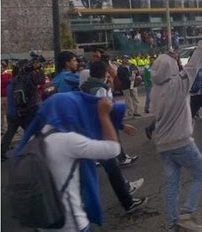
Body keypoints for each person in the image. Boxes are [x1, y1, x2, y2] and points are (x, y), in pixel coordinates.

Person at [16, 92, 126, 231]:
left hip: (44, 222)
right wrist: (103, 115)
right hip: (71, 223)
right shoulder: (67, 140)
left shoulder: (34, 140)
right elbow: (113, 149)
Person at [150, 22, 202, 232]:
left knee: (172, 185)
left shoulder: (154, 91)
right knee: (201, 176)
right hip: (181, 142)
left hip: (162, 144)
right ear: (171, 68)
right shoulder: (179, 84)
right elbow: (196, 62)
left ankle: (172, 225)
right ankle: (187, 213)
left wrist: (171, 57)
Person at [81, 61, 148, 214]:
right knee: (112, 168)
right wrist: (121, 126)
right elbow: (106, 111)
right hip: (100, 133)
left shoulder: (85, 86)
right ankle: (127, 202)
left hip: (89, 130)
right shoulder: (100, 90)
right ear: (104, 73)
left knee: (110, 169)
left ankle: (126, 191)